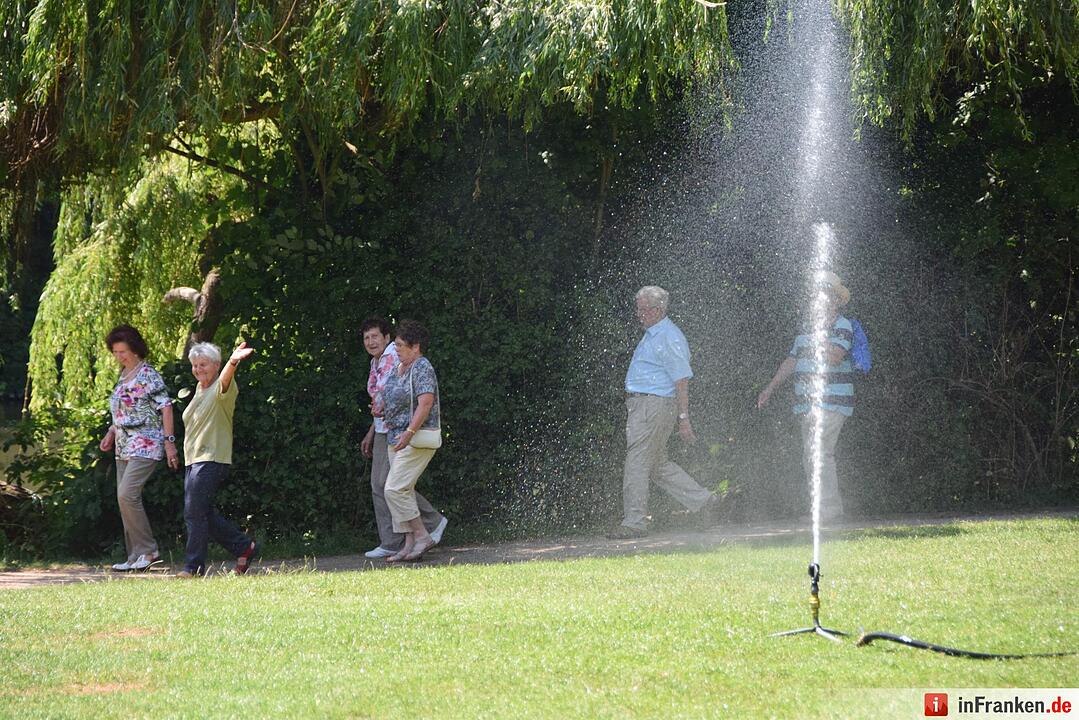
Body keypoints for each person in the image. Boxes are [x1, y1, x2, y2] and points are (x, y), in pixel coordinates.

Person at [607, 286, 720, 540]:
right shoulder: (654, 334)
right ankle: (704, 500)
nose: (639, 314)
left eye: (644, 309)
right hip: (647, 405)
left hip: (652, 406)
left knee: (636, 461)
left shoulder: (668, 336)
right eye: (638, 308)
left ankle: (635, 522)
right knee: (657, 466)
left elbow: (681, 380)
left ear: (658, 310)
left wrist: (683, 418)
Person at [757, 271, 854, 522]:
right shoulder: (806, 327)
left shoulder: (842, 325)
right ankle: (821, 510)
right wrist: (770, 387)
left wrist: (820, 335)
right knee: (811, 455)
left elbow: (835, 357)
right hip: (807, 403)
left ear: (833, 299)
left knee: (821, 453)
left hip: (832, 402)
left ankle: (829, 511)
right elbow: (792, 360)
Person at [359, 317, 447, 559]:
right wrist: (380, 410)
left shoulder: (421, 366)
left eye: (398, 345)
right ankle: (408, 544)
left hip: (414, 437)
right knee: (397, 489)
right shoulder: (399, 367)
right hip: (393, 435)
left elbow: (426, 402)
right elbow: (393, 400)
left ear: (415, 346)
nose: (394, 349)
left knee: (394, 488)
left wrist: (409, 432)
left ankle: (423, 533)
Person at [101, 325, 179, 572]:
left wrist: (170, 443)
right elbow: (124, 411)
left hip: (146, 443)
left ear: (134, 348)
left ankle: (148, 550)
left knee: (127, 494)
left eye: (122, 351)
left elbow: (165, 407)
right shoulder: (124, 374)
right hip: (123, 445)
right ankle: (135, 555)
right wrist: (111, 432)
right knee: (123, 499)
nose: (119, 356)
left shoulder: (148, 375)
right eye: (115, 352)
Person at [177, 341, 258, 577]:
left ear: (216, 365)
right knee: (201, 512)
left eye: (203, 364)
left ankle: (193, 568)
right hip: (193, 460)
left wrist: (233, 362)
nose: (198, 369)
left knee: (194, 513)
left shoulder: (223, 388)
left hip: (211, 458)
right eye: (194, 365)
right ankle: (244, 547)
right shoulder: (199, 390)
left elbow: (224, 380)